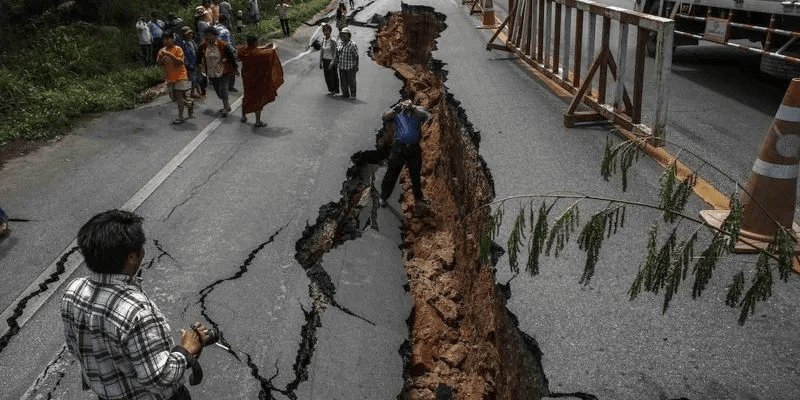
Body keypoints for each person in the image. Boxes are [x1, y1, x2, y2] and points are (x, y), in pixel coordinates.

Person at [61, 210, 214, 400]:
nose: (144, 251)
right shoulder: (137, 312)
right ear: (132, 257)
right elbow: (159, 378)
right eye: (141, 247)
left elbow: (75, 347)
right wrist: (187, 350)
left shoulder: (73, 290)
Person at [379, 99, 432, 210]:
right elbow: (385, 117)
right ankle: (383, 197)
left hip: (413, 149)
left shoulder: (417, 111)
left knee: (415, 175)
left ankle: (418, 197)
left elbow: (427, 116)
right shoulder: (398, 111)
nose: (406, 107)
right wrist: (396, 108)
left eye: (408, 105)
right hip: (399, 148)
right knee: (391, 174)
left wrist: (413, 107)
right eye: (405, 105)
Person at [237, 35, 284, 127]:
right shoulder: (259, 54)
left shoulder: (243, 51)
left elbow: (253, 49)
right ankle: (257, 121)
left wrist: (264, 46)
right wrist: (272, 45)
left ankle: (243, 116)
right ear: (255, 42)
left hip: (247, 78)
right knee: (257, 99)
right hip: (257, 79)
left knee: (247, 96)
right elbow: (271, 52)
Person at [198, 27, 239, 117]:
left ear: (215, 35)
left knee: (224, 88)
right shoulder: (204, 46)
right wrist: (199, 65)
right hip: (212, 71)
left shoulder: (222, 44)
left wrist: (235, 68)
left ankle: (226, 106)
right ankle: (225, 102)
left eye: (211, 35)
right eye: (207, 35)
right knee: (218, 90)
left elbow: (231, 56)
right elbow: (199, 55)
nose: (209, 37)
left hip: (224, 70)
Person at [158, 32, 194, 124]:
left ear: (173, 40)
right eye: (165, 39)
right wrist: (161, 58)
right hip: (169, 78)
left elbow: (180, 62)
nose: (166, 41)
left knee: (179, 96)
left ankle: (180, 116)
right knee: (174, 98)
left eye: (168, 39)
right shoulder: (162, 50)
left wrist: (169, 55)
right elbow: (159, 63)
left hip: (180, 76)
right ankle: (189, 104)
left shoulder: (178, 49)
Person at [333, 27, 358, 100]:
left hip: (350, 66)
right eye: (342, 34)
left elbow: (356, 56)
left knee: (351, 81)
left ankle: (353, 95)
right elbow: (337, 54)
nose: (343, 36)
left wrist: (356, 66)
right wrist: (335, 62)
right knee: (343, 81)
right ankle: (345, 94)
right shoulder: (340, 43)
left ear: (349, 35)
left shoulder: (352, 45)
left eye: (345, 34)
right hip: (341, 66)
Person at [214, 15, 237, 92]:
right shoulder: (225, 31)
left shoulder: (213, 27)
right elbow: (228, 43)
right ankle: (230, 86)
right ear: (225, 21)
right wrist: (234, 51)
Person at [178, 26, 202, 99]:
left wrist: (199, 62)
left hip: (194, 62)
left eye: (191, 33)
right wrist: (187, 63)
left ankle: (193, 92)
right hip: (188, 64)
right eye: (188, 34)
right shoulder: (182, 44)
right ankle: (185, 94)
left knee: (195, 78)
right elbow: (184, 55)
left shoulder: (192, 41)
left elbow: (196, 51)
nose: (190, 35)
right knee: (189, 79)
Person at [318, 23, 338, 96]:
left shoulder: (333, 41)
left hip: (331, 60)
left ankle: (334, 91)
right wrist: (320, 62)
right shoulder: (323, 39)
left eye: (328, 30)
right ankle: (330, 90)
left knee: (332, 77)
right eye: (325, 30)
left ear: (330, 31)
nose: (326, 32)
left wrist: (332, 62)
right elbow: (322, 51)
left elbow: (335, 53)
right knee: (327, 76)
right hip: (325, 60)